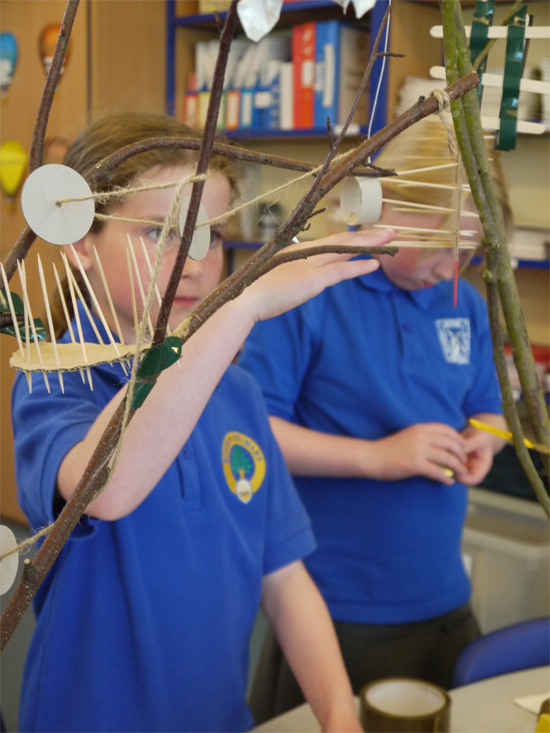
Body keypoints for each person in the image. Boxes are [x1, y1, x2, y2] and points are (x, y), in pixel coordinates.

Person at [11, 111, 396, 733]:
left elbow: (285, 575)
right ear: (81, 242)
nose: (192, 262)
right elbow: (107, 488)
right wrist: (239, 310)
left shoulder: (236, 391)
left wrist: (338, 713)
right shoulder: (53, 379)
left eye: (208, 236)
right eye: (160, 233)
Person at [239, 116, 513, 721]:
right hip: (336, 605)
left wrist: (483, 445)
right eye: (442, 246)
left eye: (468, 253)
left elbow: (489, 408)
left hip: (442, 597)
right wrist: (377, 458)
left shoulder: (461, 303)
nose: (452, 269)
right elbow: (253, 436)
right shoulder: (310, 290)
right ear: (391, 209)